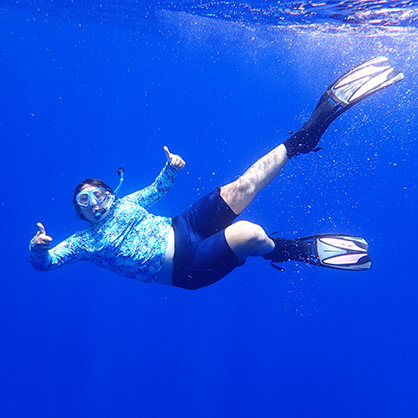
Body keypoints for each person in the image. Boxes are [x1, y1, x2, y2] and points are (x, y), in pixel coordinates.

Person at [29, 57, 403, 290]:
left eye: (99, 194)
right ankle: (290, 249)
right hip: (185, 269)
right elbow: (46, 265)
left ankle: (303, 138)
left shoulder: (129, 203)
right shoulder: (83, 243)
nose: (95, 203)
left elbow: (159, 188)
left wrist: (170, 167)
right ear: (79, 214)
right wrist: (37, 249)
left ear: (111, 193)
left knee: (241, 186)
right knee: (250, 233)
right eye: (85, 202)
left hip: (182, 226)